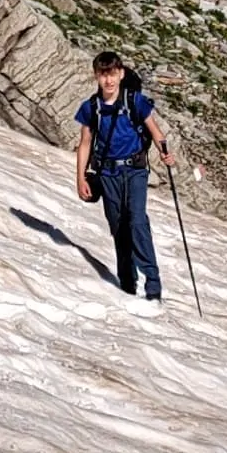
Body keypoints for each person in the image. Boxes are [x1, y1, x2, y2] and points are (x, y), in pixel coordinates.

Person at [76, 48, 173, 301]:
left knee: (137, 221)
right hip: (107, 173)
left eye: (112, 74)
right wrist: (80, 178)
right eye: (102, 75)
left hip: (135, 170)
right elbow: (85, 142)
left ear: (120, 74)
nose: (108, 80)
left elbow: (154, 130)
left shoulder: (134, 101)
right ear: (96, 76)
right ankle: (127, 283)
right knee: (118, 227)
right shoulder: (92, 107)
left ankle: (153, 283)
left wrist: (165, 153)